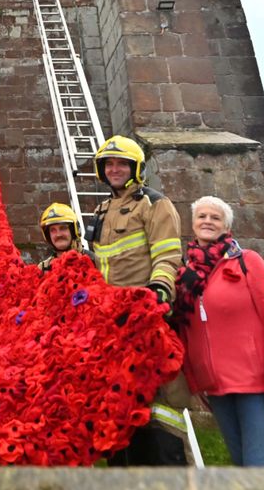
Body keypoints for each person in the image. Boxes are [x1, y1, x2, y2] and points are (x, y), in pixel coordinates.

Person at [173, 196, 264, 467]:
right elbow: (186, 330)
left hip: (257, 386)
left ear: (226, 226)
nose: (207, 221)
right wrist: (196, 381)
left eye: (215, 218)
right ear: (193, 224)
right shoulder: (186, 275)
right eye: (201, 216)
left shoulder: (247, 261)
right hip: (217, 389)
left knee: (259, 470)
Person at [90, 135, 187, 466]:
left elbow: (167, 254)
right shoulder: (102, 209)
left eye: (122, 164)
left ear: (135, 169)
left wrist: (159, 289)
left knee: (156, 398)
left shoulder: (155, 204)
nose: (115, 169)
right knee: (116, 399)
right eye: (109, 164)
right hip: (111, 322)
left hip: (145, 317)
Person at [37, 201, 83, 271]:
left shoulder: (93, 262)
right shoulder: (42, 269)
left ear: (74, 231)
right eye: (53, 230)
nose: (58, 234)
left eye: (63, 228)